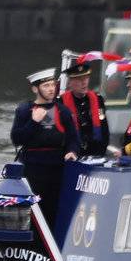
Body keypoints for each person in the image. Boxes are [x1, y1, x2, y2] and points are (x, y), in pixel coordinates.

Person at [10, 67, 80, 229]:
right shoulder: (24, 110)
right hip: (33, 169)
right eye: (46, 86)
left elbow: (73, 139)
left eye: (52, 85)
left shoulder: (62, 111)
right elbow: (17, 139)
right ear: (35, 89)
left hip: (57, 168)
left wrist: (72, 151)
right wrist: (33, 122)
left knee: (54, 210)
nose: (51, 89)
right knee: (33, 211)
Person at [59, 58, 110, 157]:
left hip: (96, 153)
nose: (84, 83)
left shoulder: (98, 99)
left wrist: (101, 152)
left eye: (86, 78)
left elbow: (104, 128)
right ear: (70, 82)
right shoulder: (61, 102)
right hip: (72, 154)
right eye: (79, 79)